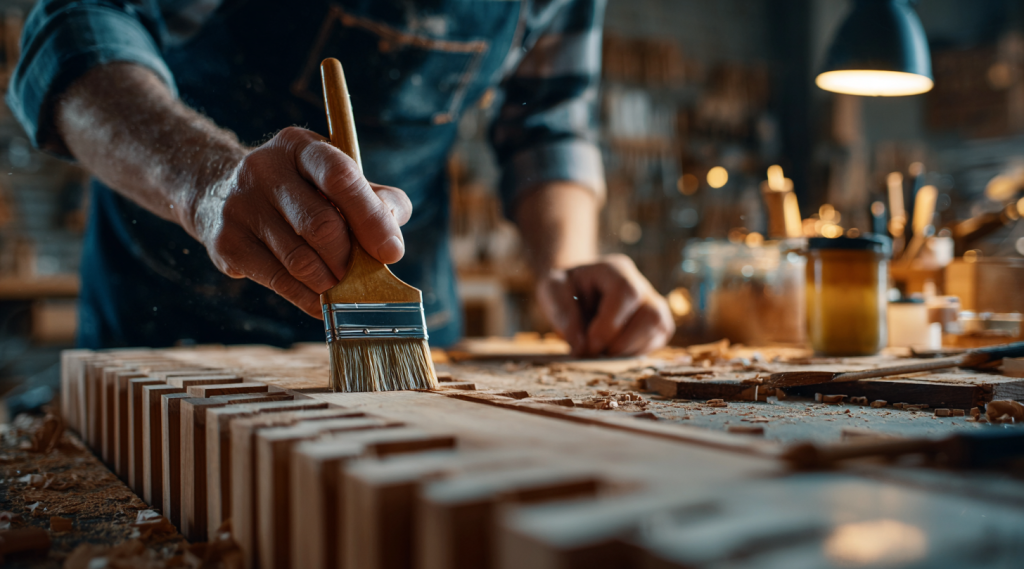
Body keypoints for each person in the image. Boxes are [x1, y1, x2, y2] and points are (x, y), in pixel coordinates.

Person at [8, 0, 674, 357]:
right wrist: (206, 184)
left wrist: (569, 268)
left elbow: (547, 126)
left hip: (396, 328)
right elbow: (75, 25)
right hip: (173, 325)